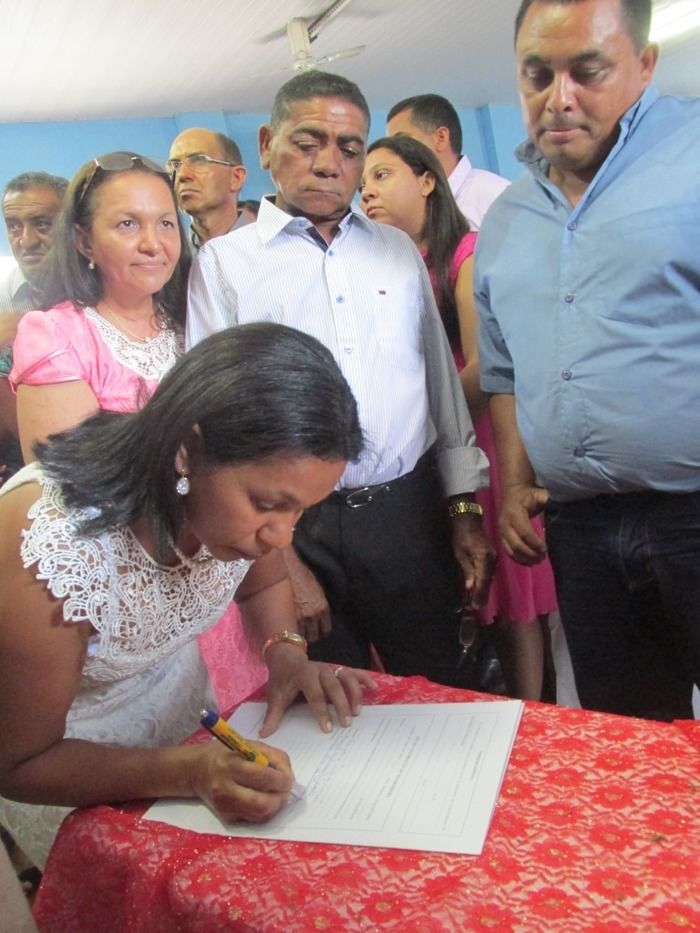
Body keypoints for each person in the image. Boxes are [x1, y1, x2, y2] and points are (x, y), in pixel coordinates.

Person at [0, 322, 374, 870]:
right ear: (186, 449)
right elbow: (20, 763)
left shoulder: (228, 510)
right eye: (268, 505)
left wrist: (287, 655)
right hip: (73, 770)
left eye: (300, 510)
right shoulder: (55, 549)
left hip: (194, 732)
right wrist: (189, 772)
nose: (282, 536)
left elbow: (266, 581)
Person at [187, 71, 495, 689]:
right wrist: (284, 564)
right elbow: (213, 425)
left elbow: (441, 391)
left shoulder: (396, 252)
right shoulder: (226, 264)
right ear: (268, 144)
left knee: (443, 692)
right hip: (299, 529)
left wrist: (464, 510)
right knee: (333, 704)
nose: (329, 163)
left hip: (406, 518)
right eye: (308, 143)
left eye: (350, 149)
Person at [475, 0, 700, 720]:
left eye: (587, 71)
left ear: (645, 64)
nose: (558, 97)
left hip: (692, 514)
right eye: (537, 74)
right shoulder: (508, 218)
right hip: (580, 530)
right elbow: (504, 372)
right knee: (627, 736)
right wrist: (515, 483)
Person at [361, 134, 557, 701]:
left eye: (382, 175)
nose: (366, 192)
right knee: (457, 591)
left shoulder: (464, 254)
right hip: (422, 453)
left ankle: (530, 714)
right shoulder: (383, 265)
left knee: (512, 599)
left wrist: (419, 416)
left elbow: (482, 366)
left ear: (427, 180)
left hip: (478, 440)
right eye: (363, 182)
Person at [10, 152, 190, 462]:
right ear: (85, 242)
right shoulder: (56, 334)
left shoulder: (192, 317)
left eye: (165, 223)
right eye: (127, 224)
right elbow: (68, 478)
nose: (153, 244)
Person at [0, 172, 68, 483]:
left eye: (42, 224)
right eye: (14, 226)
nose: (26, 241)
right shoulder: (3, 298)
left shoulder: (106, 293)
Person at [386, 94, 510, 231]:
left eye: (402, 142)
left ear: (441, 138)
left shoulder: (496, 197)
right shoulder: (413, 211)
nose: (395, 154)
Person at [167, 128, 249, 250]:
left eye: (198, 160)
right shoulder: (171, 256)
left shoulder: (271, 249)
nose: (181, 175)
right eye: (175, 165)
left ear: (236, 178)